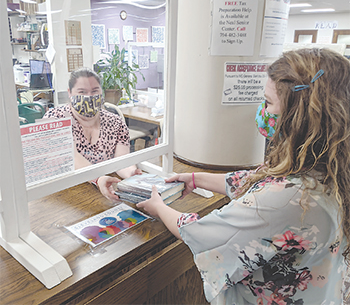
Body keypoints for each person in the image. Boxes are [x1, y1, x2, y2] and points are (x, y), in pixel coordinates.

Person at [137, 48, 350, 304]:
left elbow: (203, 234)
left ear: (300, 115)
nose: (262, 110)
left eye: (269, 102)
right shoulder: (331, 167)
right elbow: (261, 178)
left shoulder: (290, 200)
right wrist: (196, 179)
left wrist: (159, 207)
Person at [44, 67, 141, 201]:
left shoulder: (115, 122)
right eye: (82, 92)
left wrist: (132, 173)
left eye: (95, 91)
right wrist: (98, 179)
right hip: (63, 196)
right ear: (70, 93)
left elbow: (121, 159)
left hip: (102, 193)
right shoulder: (55, 119)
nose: (89, 97)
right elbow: (72, 158)